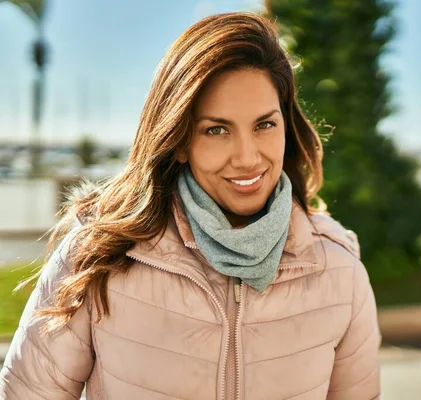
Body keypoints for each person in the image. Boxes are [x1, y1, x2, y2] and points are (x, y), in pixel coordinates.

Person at [0, 12, 381, 400]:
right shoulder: (98, 255)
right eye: (217, 130)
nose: (248, 157)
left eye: (264, 125)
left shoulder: (340, 272)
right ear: (179, 140)